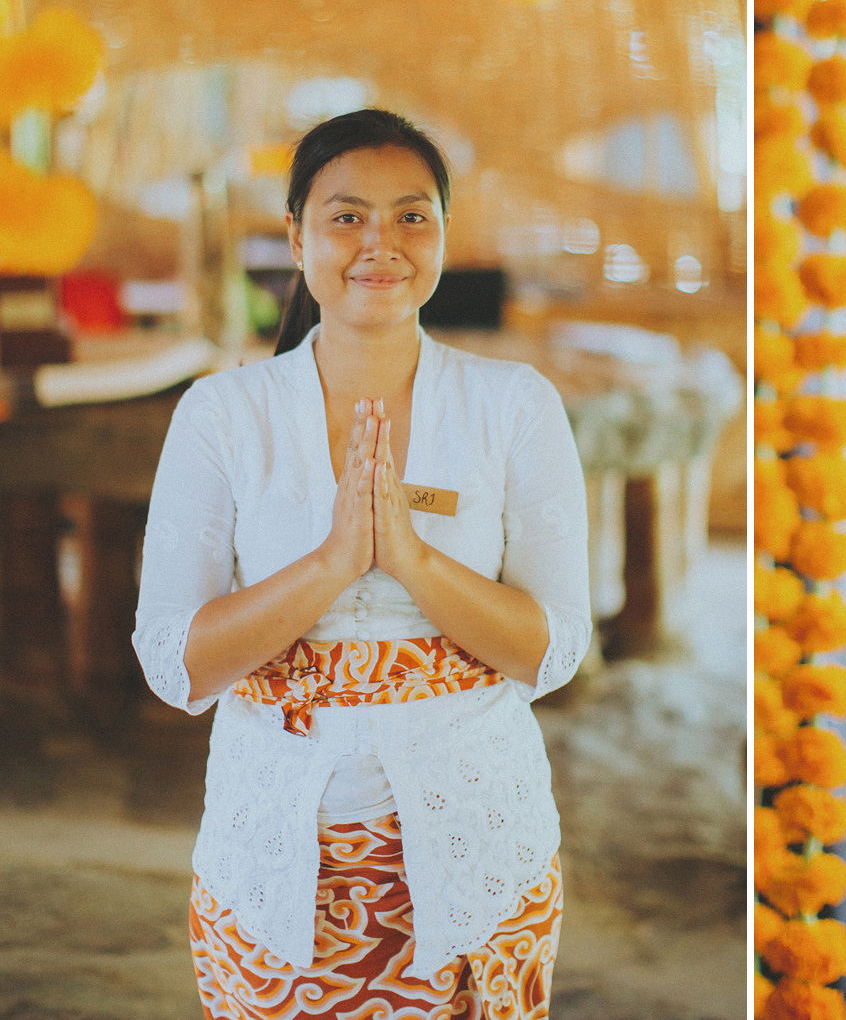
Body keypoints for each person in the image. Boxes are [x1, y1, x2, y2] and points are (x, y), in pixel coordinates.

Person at [132, 108, 591, 1017]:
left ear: (444, 234)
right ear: (297, 237)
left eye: (412, 216)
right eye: (347, 216)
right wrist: (332, 563)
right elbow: (176, 664)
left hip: (483, 863)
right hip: (269, 872)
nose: (381, 243)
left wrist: (411, 558)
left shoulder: (514, 406)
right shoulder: (223, 415)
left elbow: (553, 650)